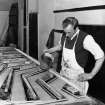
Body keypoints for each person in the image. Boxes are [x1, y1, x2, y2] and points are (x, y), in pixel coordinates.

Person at [43, 17, 105, 95]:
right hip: (63, 76)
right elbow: (60, 46)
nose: (66, 34)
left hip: (76, 79)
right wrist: (49, 50)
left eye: (69, 32)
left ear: (76, 28)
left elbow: (101, 56)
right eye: (65, 32)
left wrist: (91, 74)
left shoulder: (85, 38)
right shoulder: (65, 35)